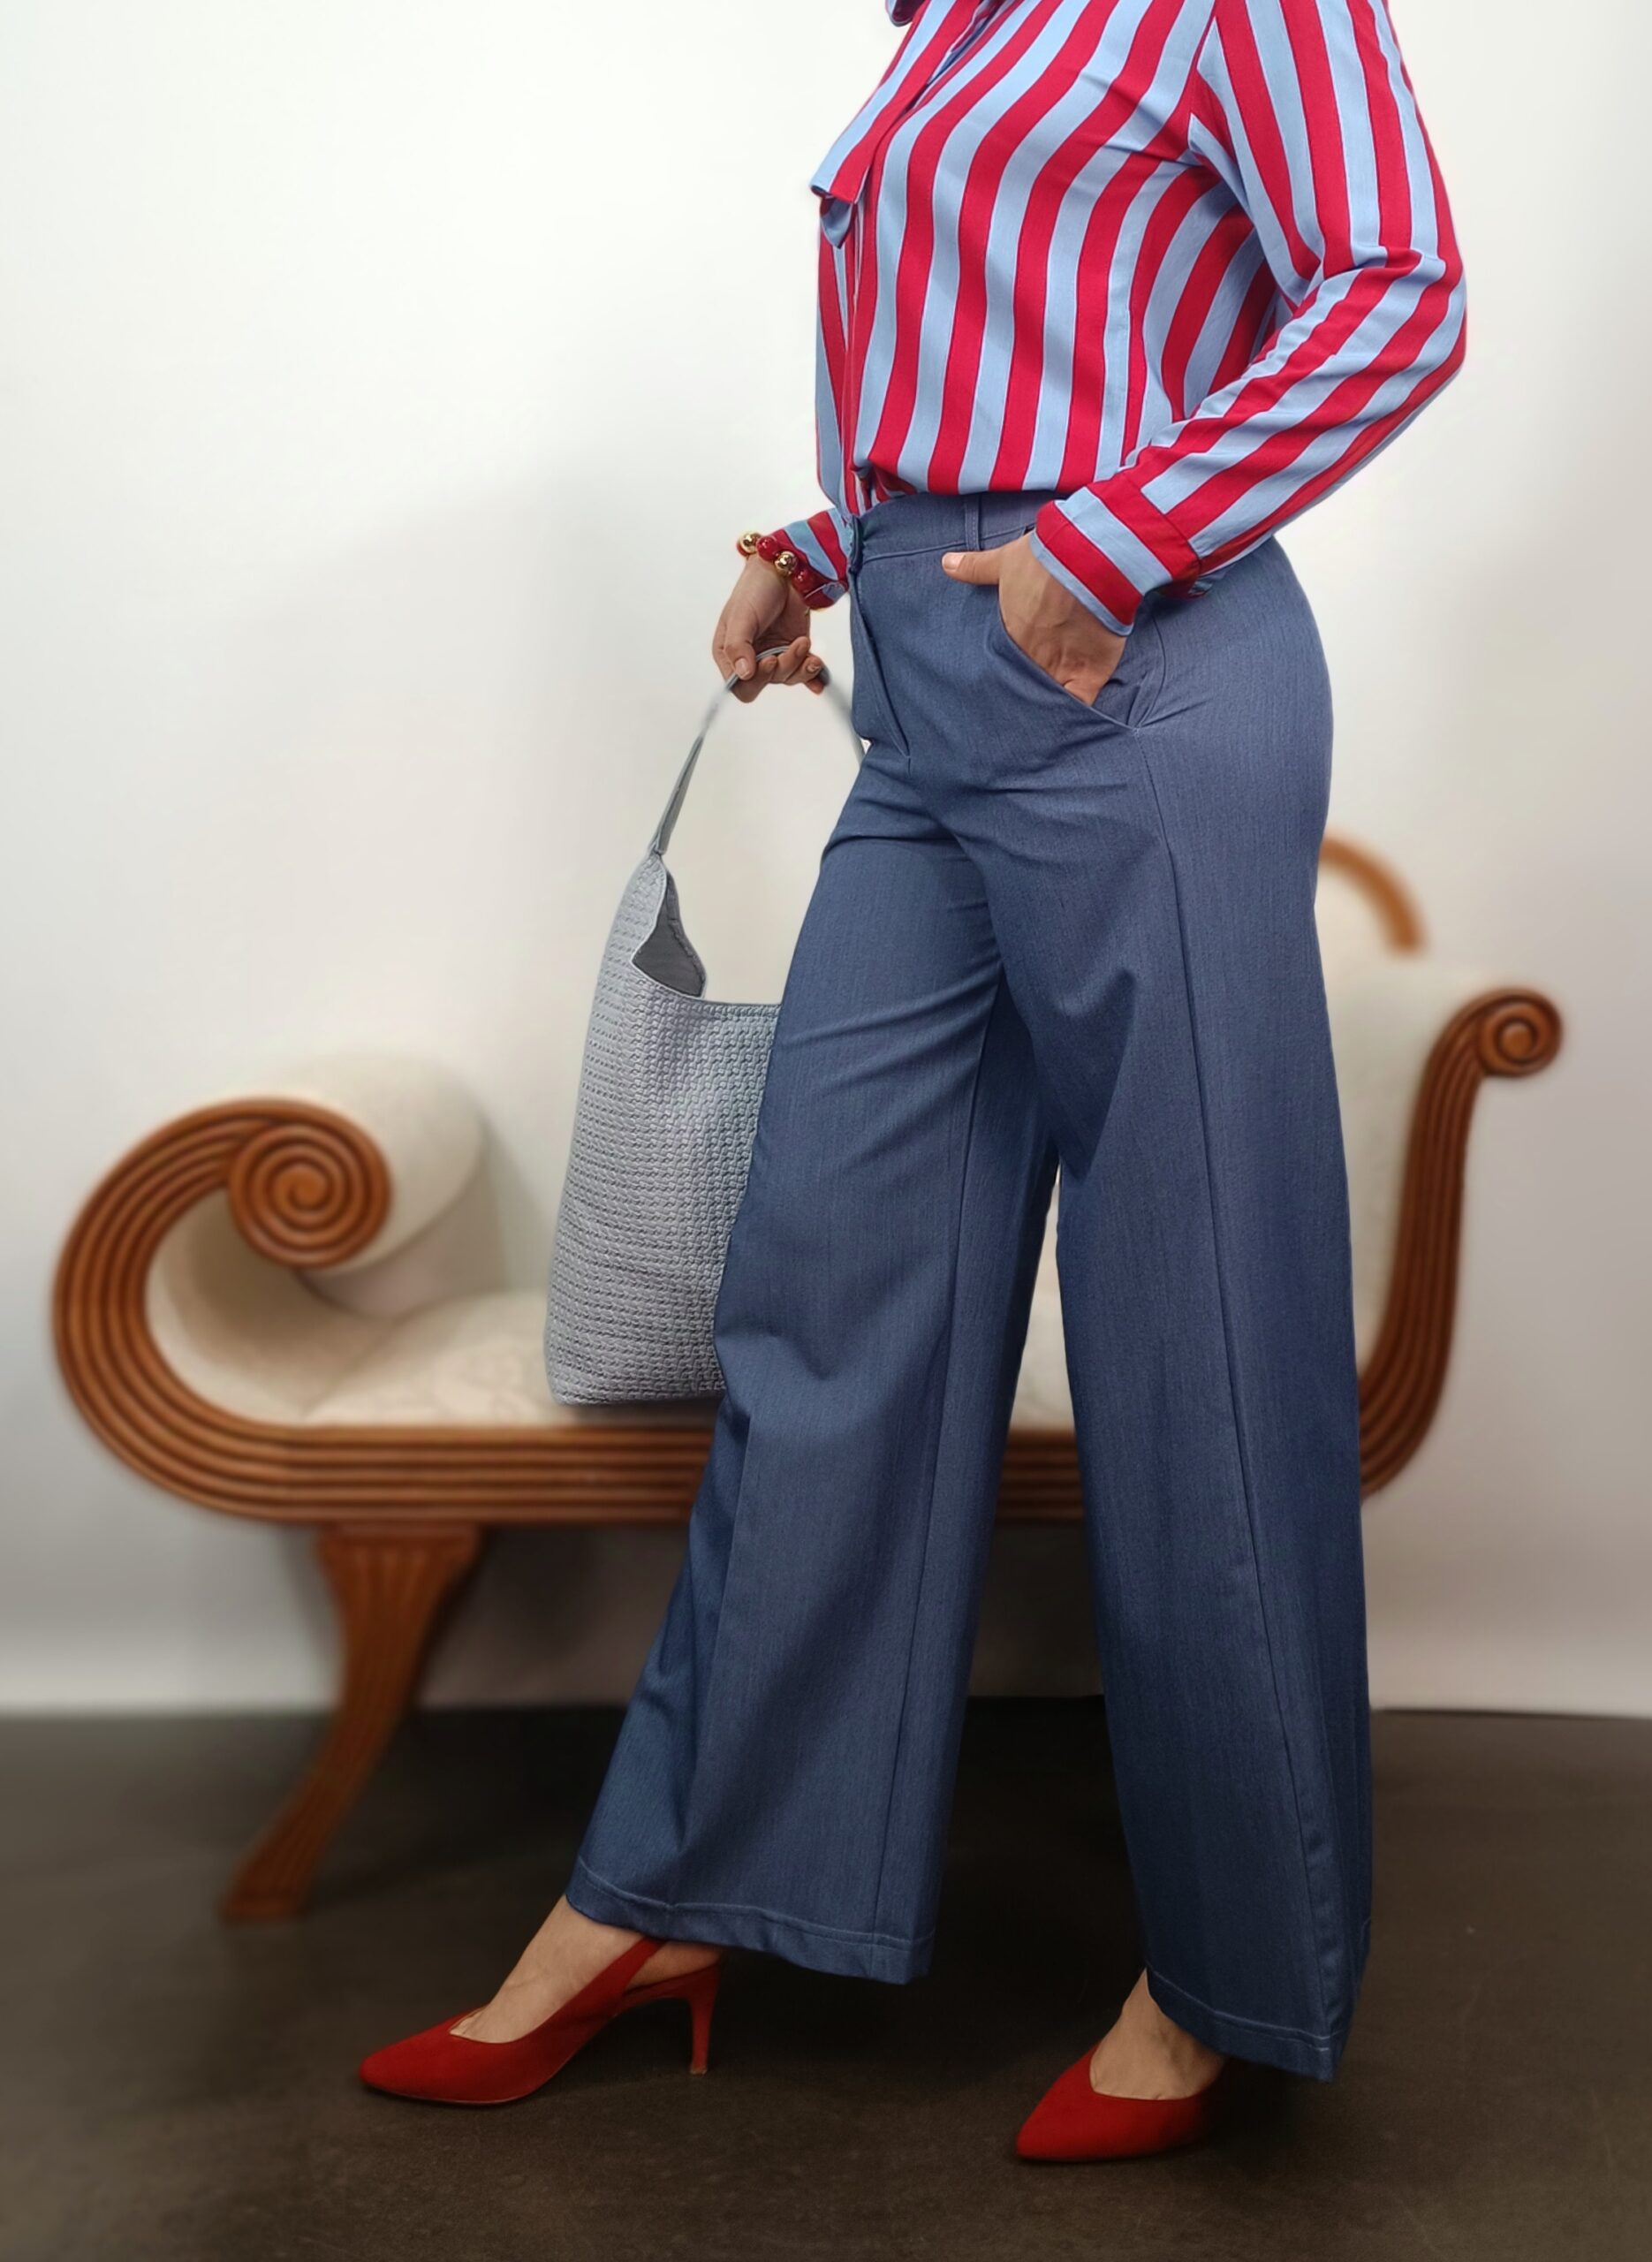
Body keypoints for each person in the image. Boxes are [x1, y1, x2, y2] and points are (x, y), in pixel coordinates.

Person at [361, 0, 1464, 2160]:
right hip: (928, 690)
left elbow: (1395, 289)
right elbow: (1012, 350)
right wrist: (818, 538)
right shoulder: (948, 23)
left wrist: (1111, 539)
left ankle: (1233, 1970)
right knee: (825, 1282)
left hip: (1137, 671)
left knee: (1196, 1335)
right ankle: (675, 1888)